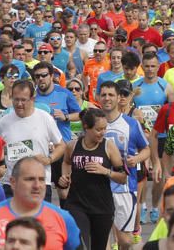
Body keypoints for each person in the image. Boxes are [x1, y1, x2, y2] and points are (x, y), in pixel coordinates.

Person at [60, 107, 126, 250]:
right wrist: (64, 177)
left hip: (102, 206)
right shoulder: (73, 145)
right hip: (76, 204)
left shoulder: (109, 146)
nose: (103, 132)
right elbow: (66, 162)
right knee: (79, 244)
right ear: (86, 127)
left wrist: (106, 171)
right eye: (98, 129)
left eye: (105, 128)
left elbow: (123, 178)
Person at [0, 157, 81, 250]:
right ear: (13, 182)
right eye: (30, 179)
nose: (37, 185)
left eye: (42, 179)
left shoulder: (63, 218)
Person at [98, 80, 151, 250]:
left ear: (118, 97)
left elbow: (146, 149)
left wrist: (137, 159)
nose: (107, 98)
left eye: (111, 95)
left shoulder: (131, 123)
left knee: (126, 241)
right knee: (102, 235)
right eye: (104, 95)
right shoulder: (94, 122)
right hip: (99, 186)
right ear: (98, 97)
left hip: (125, 187)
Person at [0, 79, 65, 200]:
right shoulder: (4, 122)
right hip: (11, 184)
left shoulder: (44, 118)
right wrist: (0, 165)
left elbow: (61, 145)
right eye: (16, 99)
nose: (19, 104)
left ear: (32, 99)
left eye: (23, 100)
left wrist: (49, 159)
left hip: (39, 184)